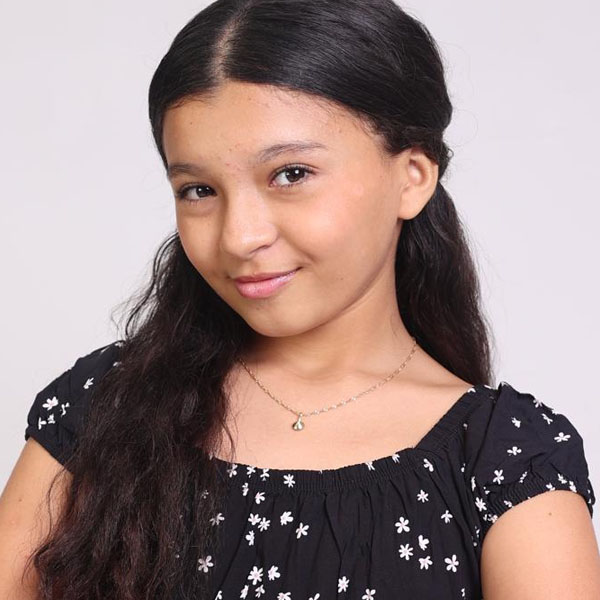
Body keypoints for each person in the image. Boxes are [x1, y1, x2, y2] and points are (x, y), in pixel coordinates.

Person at [1, 0, 599, 598]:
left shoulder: (505, 461)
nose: (239, 237)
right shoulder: (103, 405)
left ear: (413, 176)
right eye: (199, 190)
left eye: (291, 174)